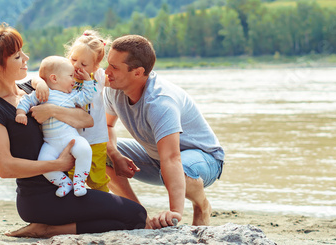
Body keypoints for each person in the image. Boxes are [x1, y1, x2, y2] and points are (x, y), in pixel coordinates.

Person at [0, 24, 146, 238]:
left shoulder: (34, 89)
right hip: (40, 199)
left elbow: (86, 120)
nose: (26, 58)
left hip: (66, 187)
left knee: (132, 216)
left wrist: (52, 109)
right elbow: (5, 168)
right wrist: (59, 164)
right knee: (136, 215)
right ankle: (48, 229)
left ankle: (50, 228)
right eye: (18, 56)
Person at [103, 34, 225, 229]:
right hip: (158, 158)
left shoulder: (160, 102)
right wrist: (115, 155)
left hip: (205, 159)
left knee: (181, 170)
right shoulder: (113, 89)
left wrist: (175, 212)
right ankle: (138, 214)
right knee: (96, 151)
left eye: (114, 67)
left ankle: (202, 205)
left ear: (138, 72)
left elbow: (172, 159)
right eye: (108, 64)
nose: (106, 72)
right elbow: (107, 127)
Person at [34, 30, 112, 193]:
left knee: (97, 179)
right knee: (71, 173)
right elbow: (42, 74)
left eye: (84, 64)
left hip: (97, 138)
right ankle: (73, 206)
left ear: (96, 66)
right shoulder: (64, 76)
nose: (77, 66)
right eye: (73, 59)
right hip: (70, 138)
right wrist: (40, 83)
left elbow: (119, 79)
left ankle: (104, 205)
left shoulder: (98, 77)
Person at [16, 56, 94, 197]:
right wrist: (20, 112)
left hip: (71, 138)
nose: (74, 80)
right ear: (54, 78)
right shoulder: (43, 94)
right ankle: (64, 183)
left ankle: (79, 181)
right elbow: (26, 100)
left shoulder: (72, 95)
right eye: (70, 76)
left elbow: (87, 96)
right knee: (44, 162)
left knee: (84, 150)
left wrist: (88, 80)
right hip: (50, 142)